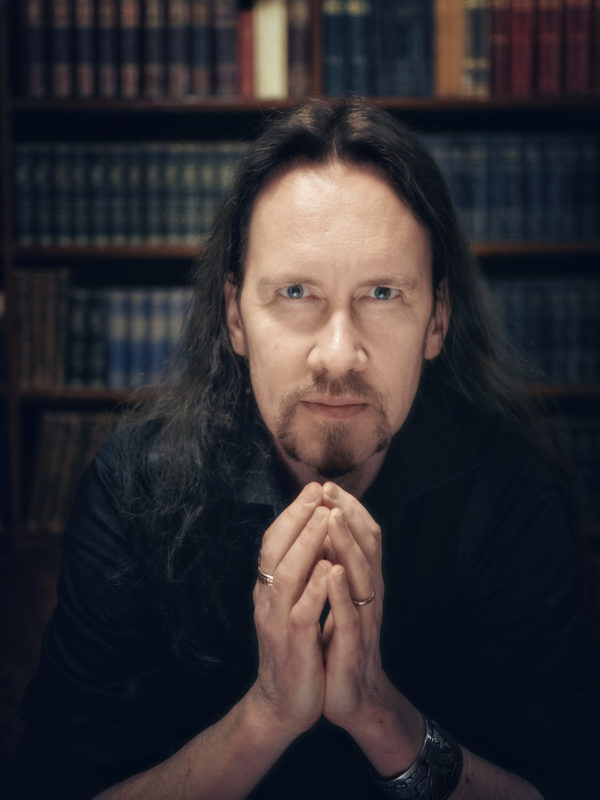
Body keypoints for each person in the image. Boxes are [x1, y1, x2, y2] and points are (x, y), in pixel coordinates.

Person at [5, 99, 599, 800]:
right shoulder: (132, 487)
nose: (338, 355)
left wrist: (380, 715)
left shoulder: (512, 494)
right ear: (235, 316)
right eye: (295, 292)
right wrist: (266, 715)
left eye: (383, 293)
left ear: (437, 319)